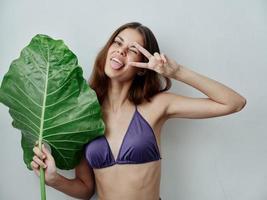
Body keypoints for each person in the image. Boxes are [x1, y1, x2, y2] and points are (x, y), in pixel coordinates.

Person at [31, 22, 246, 200]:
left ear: (143, 66)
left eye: (133, 49)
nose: (121, 51)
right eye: (118, 42)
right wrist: (53, 179)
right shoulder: (83, 114)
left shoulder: (157, 105)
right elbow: (86, 189)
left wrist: (177, 72)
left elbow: (233, 103)